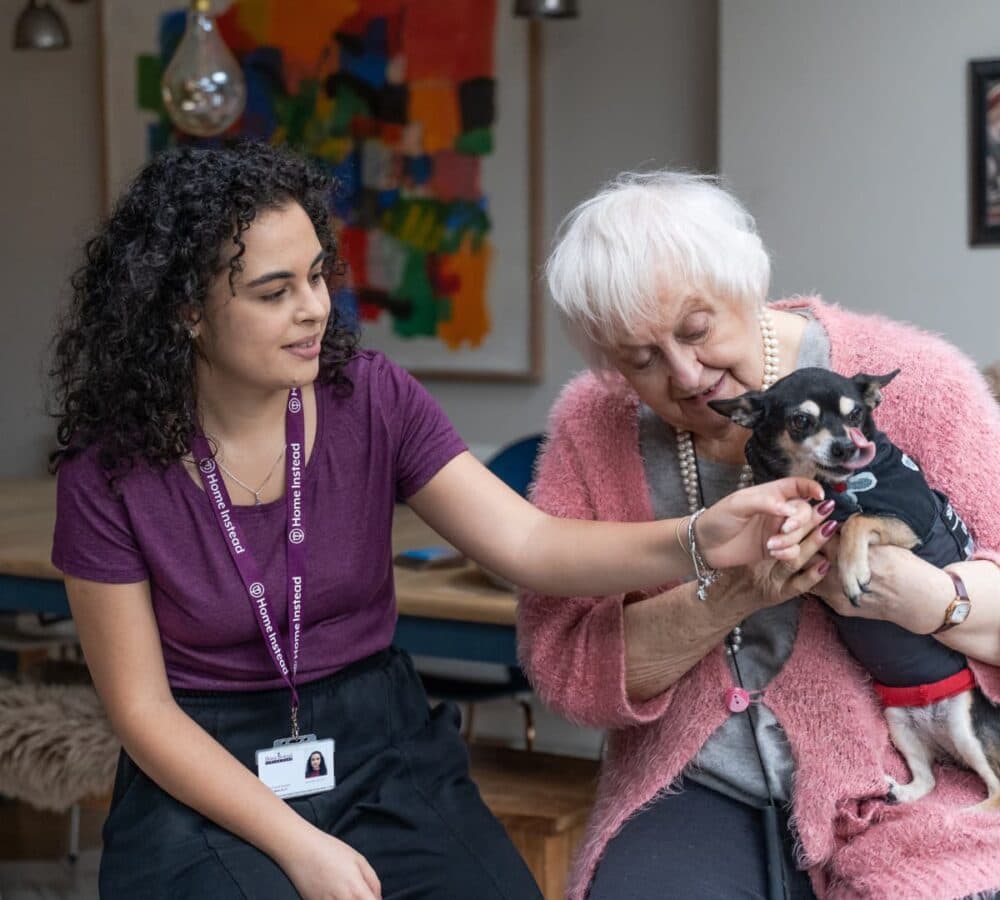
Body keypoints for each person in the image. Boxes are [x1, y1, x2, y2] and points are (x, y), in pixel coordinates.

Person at [49, 143, 826, 900]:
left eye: (319, 275)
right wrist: (297, 842)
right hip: (203, 771)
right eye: (273, 290)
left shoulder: (371, 398)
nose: (314, 308)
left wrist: (700, 540)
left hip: (380, 744)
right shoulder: (107, 471)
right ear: (187, 310)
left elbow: (529, 542)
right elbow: (142, 710)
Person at [518, 170, 1000, 900]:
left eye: (696, 329)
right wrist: (729, 595)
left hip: (922, 772)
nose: (685, 376)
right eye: (640, 359)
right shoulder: (595, 424)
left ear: (746, 282)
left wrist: (925, 595)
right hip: (699, 785)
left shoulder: (923, 382)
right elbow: (564, 666)